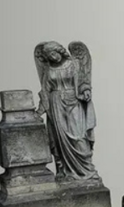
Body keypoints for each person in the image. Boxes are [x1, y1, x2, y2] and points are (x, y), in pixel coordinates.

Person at [35, 41, 98, 182]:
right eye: (49, 56)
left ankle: (87, 170)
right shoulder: (48, 69)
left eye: (53, 53)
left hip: (74, 102)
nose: (52, 57)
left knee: (79, 137)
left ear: (60, 51)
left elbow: (83, 81)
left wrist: (86, 90)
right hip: (56, 105)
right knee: (60, 141)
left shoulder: (74, 64)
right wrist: (40, 110)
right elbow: (45, 91)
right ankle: (65, 171)